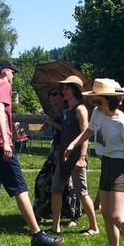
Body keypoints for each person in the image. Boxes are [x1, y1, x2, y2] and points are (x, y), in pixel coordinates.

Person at [0, 59, 63, 246]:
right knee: (20, 188)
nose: (13, 76)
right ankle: (37, 235)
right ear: (5, 71)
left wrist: (12, 134)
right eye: (12, 72)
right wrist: (6, 141)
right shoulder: (4, 85)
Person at [66, 78, 124, 246]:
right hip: (107, 165)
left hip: (122, 167)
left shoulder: (122, 122)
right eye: (94, 100)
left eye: (98, 100)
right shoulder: (97, 113)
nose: (95, 103)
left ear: (109, 99)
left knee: (118, 215)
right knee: (107, 215)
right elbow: (89, 130)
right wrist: (73, 144)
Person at [51, 75, 99, 235]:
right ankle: (55, 226)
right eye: (63, 88)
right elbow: (66, 131)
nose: (63, 91)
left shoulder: (81, 109)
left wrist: (81, 158)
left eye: (67, 88)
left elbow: (86, 134)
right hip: (64, 156)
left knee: (82, 192)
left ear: (75, 90)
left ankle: (94, 226)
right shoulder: (65, 110)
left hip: (77, 157)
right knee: (55, 189)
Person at [33, 86, 81, 225]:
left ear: (62, 97)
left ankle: (73, 217)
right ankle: (39, 212)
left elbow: (71, 131)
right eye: (50, 94)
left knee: (70, 185)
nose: (51, 97)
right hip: (54, 152)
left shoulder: (68, 112)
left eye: (55, 94)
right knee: (40, 182)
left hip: (66, 151)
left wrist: (52, 123)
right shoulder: (56, 113)